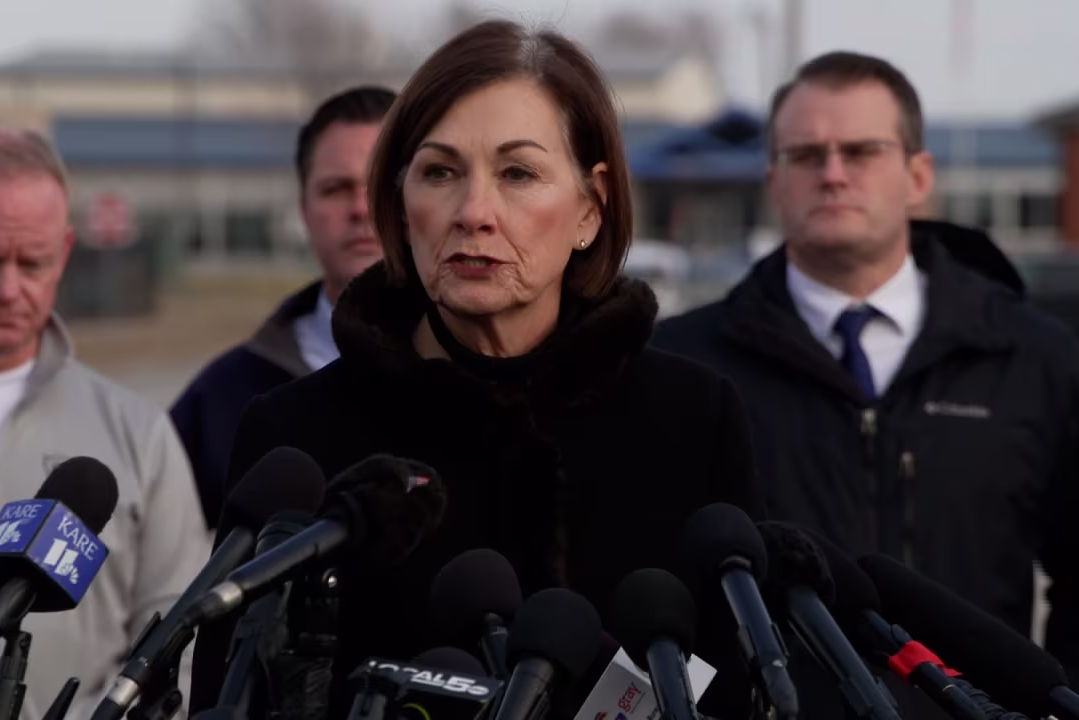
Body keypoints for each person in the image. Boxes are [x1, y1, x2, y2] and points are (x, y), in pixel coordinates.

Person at [190, 19, 766, 720]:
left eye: (518, 173)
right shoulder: (297, 436)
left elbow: (743, 688)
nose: (473, 212)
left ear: (590, 207)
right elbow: (230, 696)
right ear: (401, 206)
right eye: (440, 172)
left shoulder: (692, 419)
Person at [653, 51, 1079, 718]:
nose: (832, 174)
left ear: (918, 174)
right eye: (806, 155)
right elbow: (644, 580)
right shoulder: (682, 365)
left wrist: (1061, 705)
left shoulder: (1030, 356)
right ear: (773, 179)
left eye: (860, 151)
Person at [0, 126, 210, 720]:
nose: (9, 288)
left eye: (32, 261)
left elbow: (180, 648)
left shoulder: (138, 436)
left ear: (63, 251)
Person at [171, 86, 396, 530]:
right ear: (304, 211)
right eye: (336, 188)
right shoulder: (220, 400)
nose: (360, 208)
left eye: (381, 185)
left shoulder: (487, 376)